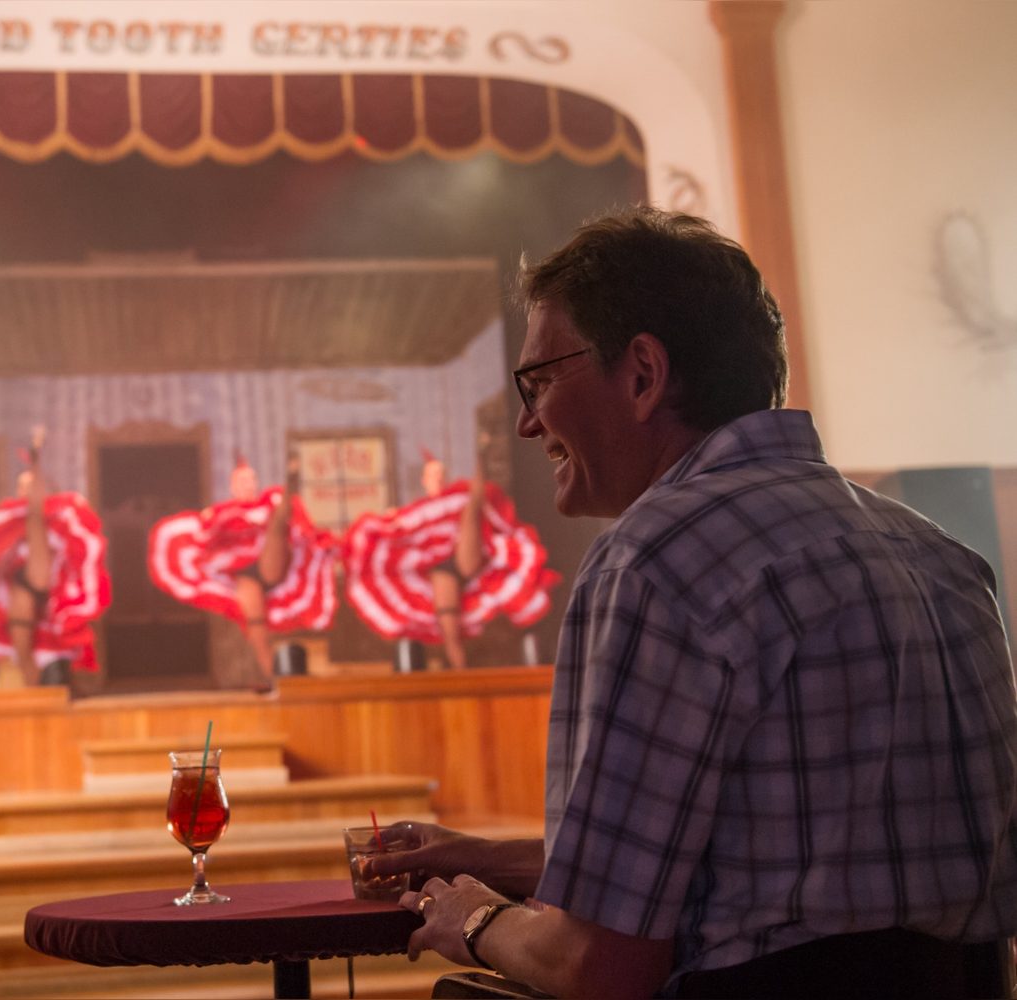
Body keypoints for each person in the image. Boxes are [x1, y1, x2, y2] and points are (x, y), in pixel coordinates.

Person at [371, 208, 1017, 998]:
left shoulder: (657, 559)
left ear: (643, 374)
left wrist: (474, 919)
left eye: (539, 380)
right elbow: (779, 861)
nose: (527, 420)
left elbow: (601, 966)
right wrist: (485, 858)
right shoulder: (945, 558)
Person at [342, 436, 558, 670]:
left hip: (470, 555)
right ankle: (460, 671)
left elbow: (478, 512)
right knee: (450, 628)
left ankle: (480, 458)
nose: (438, 478)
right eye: (432, 475)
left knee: (471, 520)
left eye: (440, 473)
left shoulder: (459, 499)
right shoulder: (419, 512)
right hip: (442, 568)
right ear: (425, 480)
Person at [148, 452, 337, 689]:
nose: (249, 485)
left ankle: (292, 484)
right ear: (232, 485)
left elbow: (295, 525)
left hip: (270, 561)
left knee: (277, 527)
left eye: (252, 480)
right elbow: (207, 537)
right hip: (241, 573)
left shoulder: (269, 503)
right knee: (254, 617)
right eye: (242, 481)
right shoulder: (222, 512)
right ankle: (271, 675)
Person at [0, 426, 111, 687]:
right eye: (22, 487)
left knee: (37, 574)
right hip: (22, 582)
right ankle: (30, 676)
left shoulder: (57, 522)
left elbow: (41, 523)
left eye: (30, 486)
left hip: (47, 580)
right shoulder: (10, 526)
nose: (25, 491)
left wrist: (36, 460)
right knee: (23, 612)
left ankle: (43, 678)